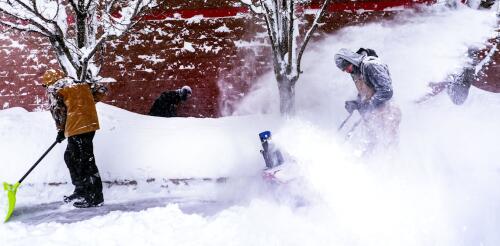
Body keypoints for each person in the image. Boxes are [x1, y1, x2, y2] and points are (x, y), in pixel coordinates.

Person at [42, 69, 107, 208]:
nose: (46, 88)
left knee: (84, 161)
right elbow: (101, 90)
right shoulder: (78, 83)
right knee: (70, 157)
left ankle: (94, 197)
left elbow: (58, 111)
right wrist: (84, 104)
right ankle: (81, 190)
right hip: (89, 123)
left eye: (46, 85)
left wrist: (60, 130)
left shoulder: (56, 88)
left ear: (49, 82)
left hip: (77, 126)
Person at [334, 48, 401, 153]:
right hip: (374, 115)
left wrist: (370, 105)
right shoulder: (356, 73)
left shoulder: (370, 65)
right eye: (344, 70)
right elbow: (367, 92)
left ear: (351, 60)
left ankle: (393, 166)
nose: (346, 71)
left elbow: (386, 91)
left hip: (387, 112)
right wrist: (356, 103)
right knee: (371, 145)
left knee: (388, 146)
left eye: (347, 67)